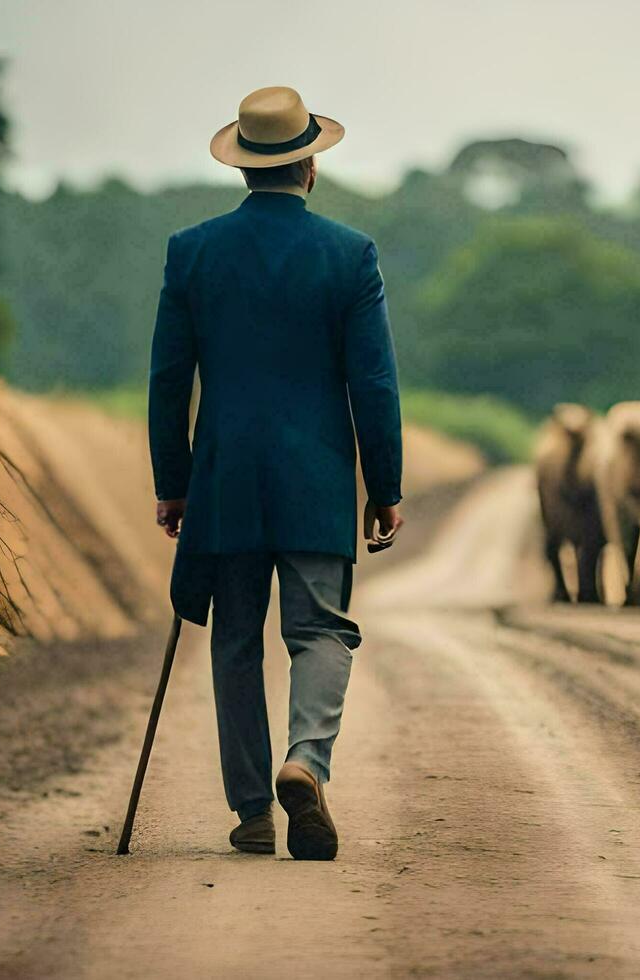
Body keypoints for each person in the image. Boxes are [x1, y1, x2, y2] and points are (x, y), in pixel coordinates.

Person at [147, 86, 404, 860]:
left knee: (234, 641)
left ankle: (254, 811)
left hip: (224, 475)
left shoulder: (191, 251)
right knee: (320, 630)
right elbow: (375, 382)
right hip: (317, 476)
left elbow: (169, 378)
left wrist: (173, 479)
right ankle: (308, 760)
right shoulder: (350, 255)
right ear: (311, 166)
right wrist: (384, 487)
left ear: (244, 170)